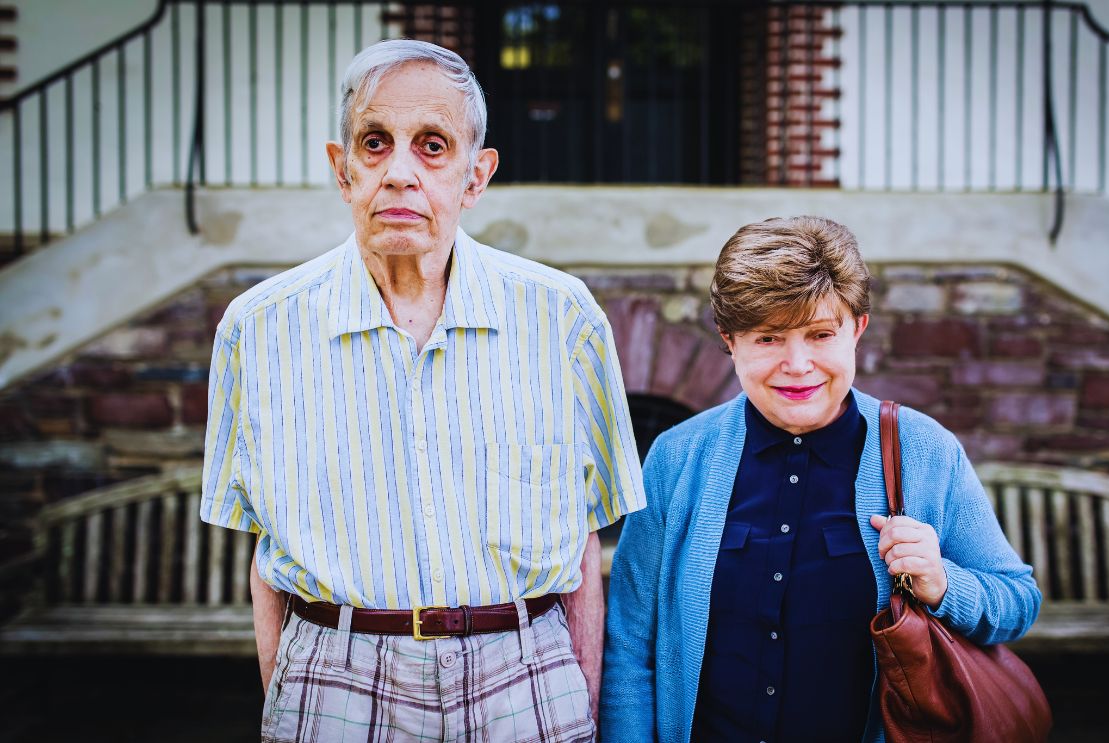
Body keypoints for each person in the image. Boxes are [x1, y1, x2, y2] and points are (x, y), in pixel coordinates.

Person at [200, 39, 644, 742]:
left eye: (432, 145)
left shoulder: (563, 317)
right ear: (342, 169)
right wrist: (289, 698)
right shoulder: (258, 328)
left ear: (475, 175)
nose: (399, 172)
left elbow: (585, 542)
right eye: (374, 143)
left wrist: (576, 699)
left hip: (524, 673)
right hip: (335, 673)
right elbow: (265, 558)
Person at [600, 216, 1041, 743]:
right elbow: (629, 646)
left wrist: (943, 582)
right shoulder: (677, 458)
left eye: (820, 334)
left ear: (857, 328)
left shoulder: (925, 452)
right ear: (729, 340)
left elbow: (1017, 601)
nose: (797, 364)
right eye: (768, 337)